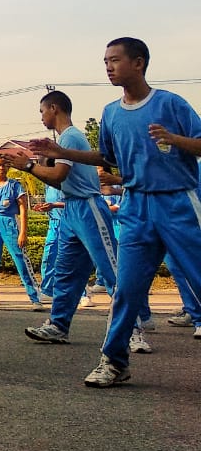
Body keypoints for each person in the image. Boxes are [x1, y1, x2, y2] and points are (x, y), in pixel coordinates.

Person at [59, 38, 201, 388]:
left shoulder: (170, 103)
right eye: (105, 61)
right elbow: (105, 158)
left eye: (115, 60)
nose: (108, 66)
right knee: (126, 288)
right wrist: (58, 150)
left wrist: (174, 138)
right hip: (136, 206)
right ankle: (114, 361)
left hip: (177, 202)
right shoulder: (111, 113)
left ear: (139, 63)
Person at [0, 91, 121, 349]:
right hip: (72, 210)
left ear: (54, 108)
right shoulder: (63, 139)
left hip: (88, 208)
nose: (41, 117)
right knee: (66, 272)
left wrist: (27, 166)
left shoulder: (70, 136)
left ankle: (134, 327)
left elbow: (58, 175)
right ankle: (58, 325)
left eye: (42, 111)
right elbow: (55, 174)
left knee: (111, 269)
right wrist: (31, 162)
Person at [0, 156, 43, 310]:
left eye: (4, 165)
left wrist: (23, 232)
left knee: (21, 261)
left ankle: (35, 298)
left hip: (10, 223)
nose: (1, 168)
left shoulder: (15, 186)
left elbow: (22, 208)